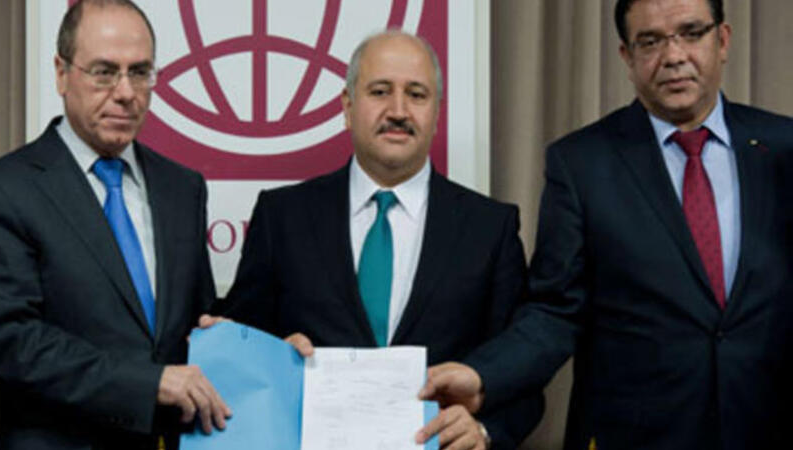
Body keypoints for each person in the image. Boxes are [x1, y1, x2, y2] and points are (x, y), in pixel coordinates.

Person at [420, 0, 793, 448]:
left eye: (692, 33)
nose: (674, 56)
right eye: (650, 42)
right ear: (626, 57)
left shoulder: (784, 148)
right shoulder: (582, 164)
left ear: (723, 40)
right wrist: (483, 375)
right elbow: (555, 311)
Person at [217, 30, 543, 450]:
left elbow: (520, 375)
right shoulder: (282, 217)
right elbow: (243, 354)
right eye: (380, 91)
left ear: (437, 113)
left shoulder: (489, 228)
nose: (398, 111)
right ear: (347, 106)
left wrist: (484, 430)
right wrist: (252, 353)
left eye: (417, 94)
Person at [0, 1, 230, 449]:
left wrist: (261, 352)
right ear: (62, 73)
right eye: (104, 72)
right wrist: (147, 383)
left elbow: (193, 320)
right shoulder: (7, 188)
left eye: (139, 72)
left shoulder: (183, 188)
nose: (125, 92)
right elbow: (10, 340)